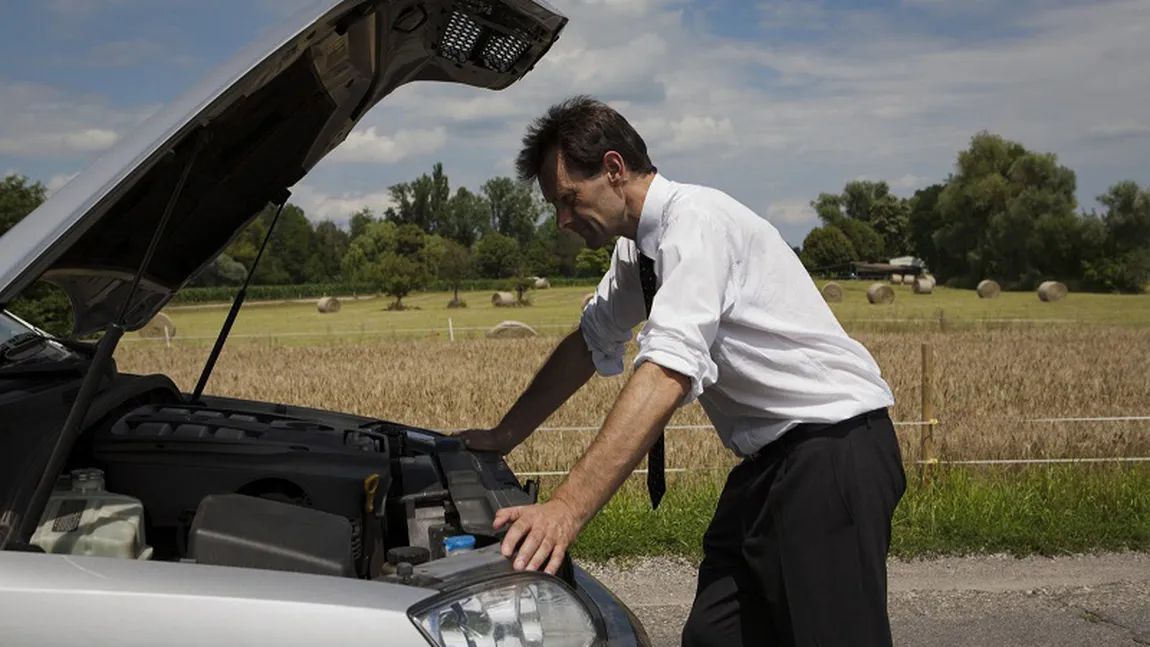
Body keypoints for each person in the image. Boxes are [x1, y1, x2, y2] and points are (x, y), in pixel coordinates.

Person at [458, 95, 906, 647]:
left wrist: (566, 510)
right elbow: (589, 342)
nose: (562, 220)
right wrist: (505, 435)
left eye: (569, 199)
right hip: (770, 466)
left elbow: (668, 369)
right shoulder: (637, 253)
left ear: (614, 169)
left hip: (831, 454)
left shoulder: (696, 224)